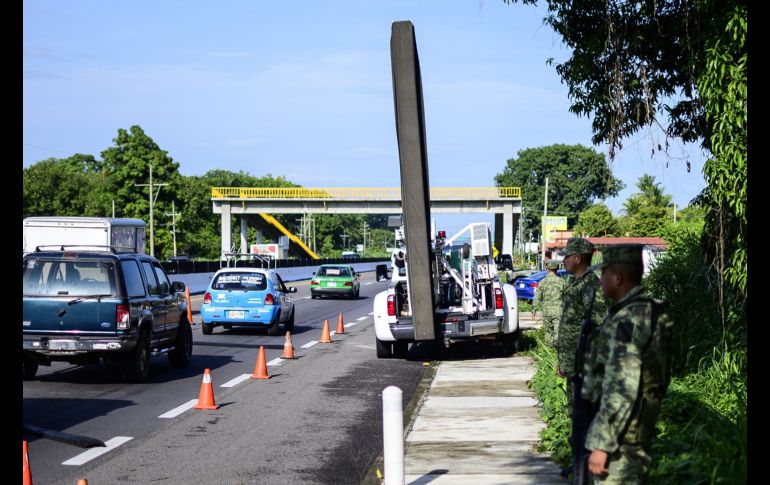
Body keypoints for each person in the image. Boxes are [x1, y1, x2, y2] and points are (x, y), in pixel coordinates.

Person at [580, 244, 673, 483]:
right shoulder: (643, 310)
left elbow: (622, 386)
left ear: (617, 277)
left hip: (620, 442)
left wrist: (602, 445)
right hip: (630, 431)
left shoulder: (629, 319)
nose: (600, 280)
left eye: (604, 274)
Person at [555, 237, 606, 479]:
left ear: (578, 257)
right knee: (574, 413)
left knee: (586, 415)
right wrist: (562, 360)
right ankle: (578, 460)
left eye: (567, 255)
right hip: (571, 360)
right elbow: (569, 323)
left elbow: (596, 323)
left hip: (584, 360)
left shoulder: (590, 285)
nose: (563, 259)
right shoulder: (574, 282)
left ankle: (588, 465)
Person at [531, 260, 566, 347]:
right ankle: (557, 350)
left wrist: (534, 309)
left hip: (546, 311)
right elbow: (567, 297)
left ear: (547, 268)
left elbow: (537, 297)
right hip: (558, 311)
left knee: (548, 332)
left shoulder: (542, 282)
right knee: (558, 331)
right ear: (557, 269)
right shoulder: (562, 282)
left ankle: (549, 349)